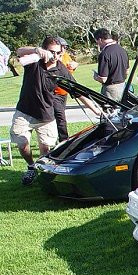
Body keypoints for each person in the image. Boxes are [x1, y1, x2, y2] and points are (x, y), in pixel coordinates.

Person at [11, 36, 100, 185]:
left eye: (59, 53)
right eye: (52, 52)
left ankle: (42, 170)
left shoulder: (61, 68)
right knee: (22, 143)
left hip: (46, 114)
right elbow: (19, 51)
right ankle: (31, 167)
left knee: (45, 148)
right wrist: (36, 50)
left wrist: (96, 110)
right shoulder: (34, 61)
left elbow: (78, 92)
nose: (56, 56)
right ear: (45, 50)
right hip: (24, 112)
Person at [52, 37, 79, 142]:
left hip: (64, 92)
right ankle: (64, 140)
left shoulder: (66, 56)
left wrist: (75, 65)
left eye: (65, 47)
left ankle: (59, 138)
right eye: (62, 47)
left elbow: (69, 73)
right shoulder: (54, 58)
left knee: (60, 115)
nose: (63, 50)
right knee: (60, 117)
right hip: (54, 93)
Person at [93, 28, 129, 102]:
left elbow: (103, 79)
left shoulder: (104, 54)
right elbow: (126, 71)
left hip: (110, 90)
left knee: (108, 112)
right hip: (123, 87)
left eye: (97, 42)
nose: (98, 44)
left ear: (100, 40)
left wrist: (96, 77)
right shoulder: (122, 50)